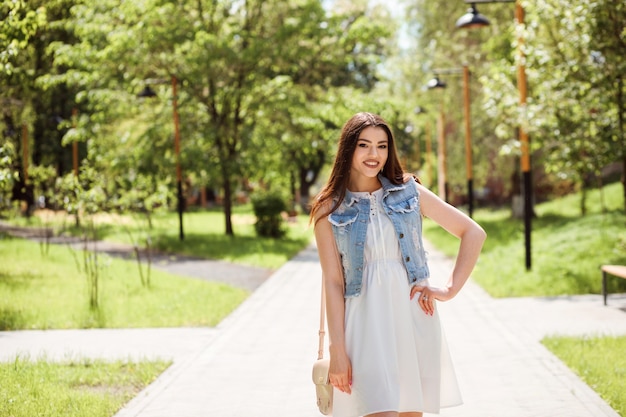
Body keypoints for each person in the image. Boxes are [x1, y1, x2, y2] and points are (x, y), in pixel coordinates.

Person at [310, 112, 486, 417]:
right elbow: (333, 282)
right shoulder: (329, 209)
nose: (374, 154)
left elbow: (473, 232)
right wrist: (337, 350)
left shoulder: (409, 192)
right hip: (363, 326)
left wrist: (448, 289)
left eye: (382, 146)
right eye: (364, 145)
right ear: (348, 149)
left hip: (411, 319)